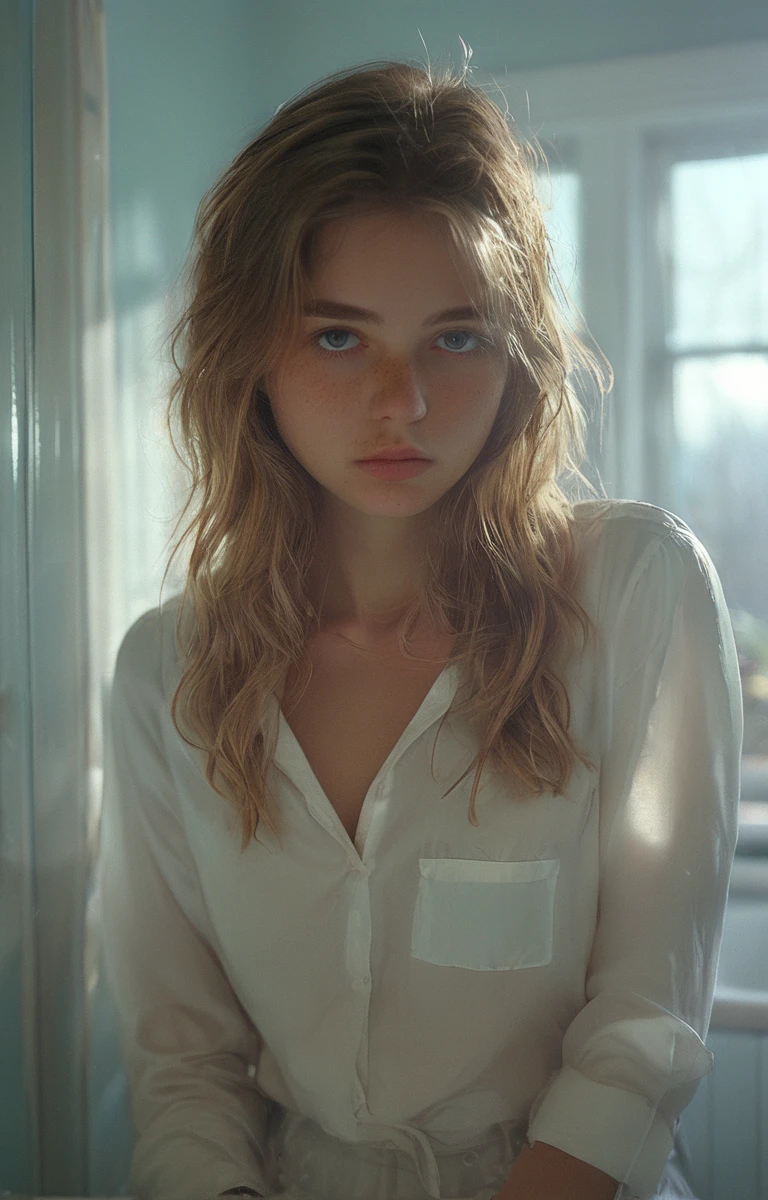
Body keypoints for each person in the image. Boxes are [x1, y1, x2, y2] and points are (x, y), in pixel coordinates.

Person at [94, 51, 743, 1200]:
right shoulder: (168, 674)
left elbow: (641, 1036)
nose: (405, 402)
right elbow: (183, 1067)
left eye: (456, 336)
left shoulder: (637, 595)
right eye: (339, 337)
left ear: (517, 359)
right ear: (250, 355)